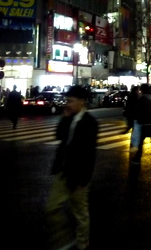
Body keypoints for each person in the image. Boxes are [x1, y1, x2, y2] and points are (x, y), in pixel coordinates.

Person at [45, 85, 98, 250]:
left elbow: (90, 153)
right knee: (51, 208)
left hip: (79, 175)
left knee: (80, 213)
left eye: (71, 101)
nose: (67, 104)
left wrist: (85, 178)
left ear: (82, 102)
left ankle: (82, 243)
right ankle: (65, 239)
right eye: (67, 100)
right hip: (63, 171)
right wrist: (65, 117)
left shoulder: (90, 122)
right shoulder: (69, 116)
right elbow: (59, 136)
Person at [131, 83, 151, 166]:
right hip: (150, 122)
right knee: (150, 140)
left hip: (144, 122)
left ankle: (138, 158)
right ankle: (138, 158)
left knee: (145, 141)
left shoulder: (142, 98)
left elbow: (139, 109)